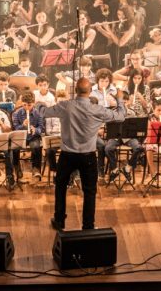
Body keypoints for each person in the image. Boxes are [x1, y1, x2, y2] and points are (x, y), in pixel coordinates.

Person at [44, 78, 125, 231]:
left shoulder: (65, 106)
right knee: (90, 191)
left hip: (67, 155)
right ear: (89, 92)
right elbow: (120, 116)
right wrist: (120, 99)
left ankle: (59, 220)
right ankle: (88, 226)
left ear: (76, 91)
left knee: (60, 187)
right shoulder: (97, 109)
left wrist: (39, 105)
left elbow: (44, 112)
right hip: (88, 156)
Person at [10, 92, 44, 185]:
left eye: (29, 105)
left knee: (36, 146)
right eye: (24, 105)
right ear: (22, 103)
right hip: (21, 136)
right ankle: (17, 169)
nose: (27, 108)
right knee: (15, 148)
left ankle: (36, 169)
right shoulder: (17, 113)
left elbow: (41, 128)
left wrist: (35, 130)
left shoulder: (38, 113)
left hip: (33, 137)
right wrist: (23, 125)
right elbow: (16, 128)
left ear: (33, 103)